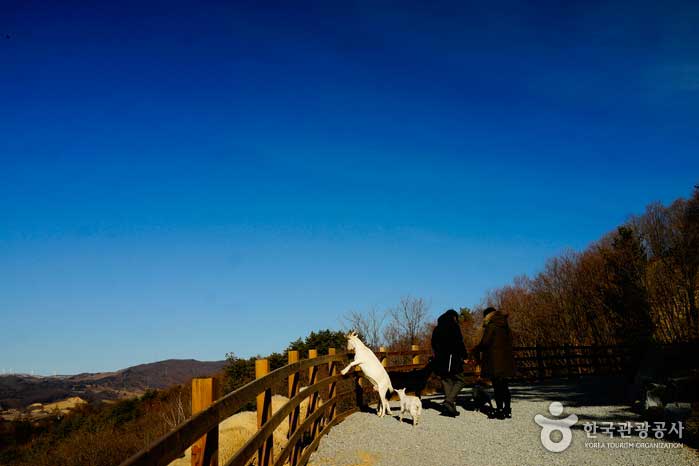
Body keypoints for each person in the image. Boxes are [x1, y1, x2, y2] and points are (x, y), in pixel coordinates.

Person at [473, 306, 515, 419]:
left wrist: (477, 349)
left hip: (494, 361)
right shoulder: (506, 326)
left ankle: (500, 410)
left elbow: (485, 342)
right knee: (505, 386)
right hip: (506, 361)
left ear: (487, 315)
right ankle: (508, 410)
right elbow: (511, 341)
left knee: (497, 387)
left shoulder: (491, 326)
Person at [431, 309, 468, 417]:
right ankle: (449, 401)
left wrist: (438, 355)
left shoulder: (437, 329)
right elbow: (459, 343)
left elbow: (433, 344)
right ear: (454, 317)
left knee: (447, 381)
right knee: (460, 380)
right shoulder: (454, 326)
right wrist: (464, 356)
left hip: (440, 360)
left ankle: (450, 409)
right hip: (453, 359)